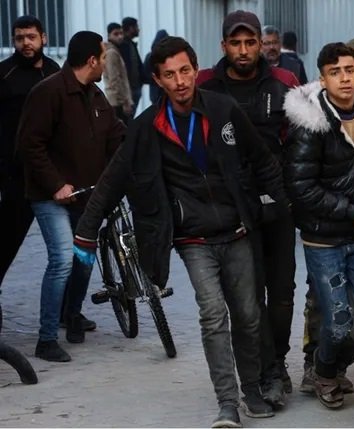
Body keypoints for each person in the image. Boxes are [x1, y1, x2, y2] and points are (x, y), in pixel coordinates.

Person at [73, 36, 288, 427]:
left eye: (185, 71)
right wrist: (86, 233)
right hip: (194, 239)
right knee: (213, 315)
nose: (180, 81)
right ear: (158, 80)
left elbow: (263, 160)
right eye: (170, 75)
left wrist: (282, 208)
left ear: (195, 68)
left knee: (248, 315)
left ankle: (252, 390)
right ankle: (227, 403)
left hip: (238, 230)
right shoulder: (146, 127)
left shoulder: (223, 109)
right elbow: (113, 179)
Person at [282, 42, 354, 428]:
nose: (346, 78)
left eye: (351, 70)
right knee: (338, 323)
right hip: (324, 240)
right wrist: (353, 214)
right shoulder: (310, 124)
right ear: (323, 79)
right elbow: (301, 187)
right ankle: (323, 369)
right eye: (336, 72)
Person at [196, 9, 300, 410]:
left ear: (262, 44)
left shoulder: (285, 83)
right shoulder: (206, 85)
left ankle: (278, 362)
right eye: (235, 43)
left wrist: (291, 195)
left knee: (283, 293)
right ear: (224, 45)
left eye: (250, 42)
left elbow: (299, 143)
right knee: (249, 298)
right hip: (232, 210)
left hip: (278, 206)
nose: (243, 50)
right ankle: (266, 372)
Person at [17, 31, 125, 361]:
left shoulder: (95, 95)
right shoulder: (48, 92)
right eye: (103, 58)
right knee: (63, 259)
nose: (105, 64)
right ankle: (47, 339)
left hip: (85, 197)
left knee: (83, 259)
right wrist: (55, 185)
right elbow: (30, 145)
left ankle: (72, 314)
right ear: (92, 61)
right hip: (50, 197)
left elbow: (115, 136)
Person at [0, 16, 60, 294]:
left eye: (31, 37)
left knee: (65, 251)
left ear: (43, 38)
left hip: (53, 175)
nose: (26, 43)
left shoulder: (54, 71)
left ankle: (67, 310)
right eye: (20, 38)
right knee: (6, 245)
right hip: (15, 177)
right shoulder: (4, 74)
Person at [103, 22, 133, 122]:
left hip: (117, 100)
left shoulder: (115, 50)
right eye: (116, 34)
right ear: (109, 36)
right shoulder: (111, 53)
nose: (120, 37)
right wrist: (124, 102)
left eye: (121, 33)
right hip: (117, 102)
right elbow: (114, 79)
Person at [119, 17, 150, 113]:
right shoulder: (122, 46)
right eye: (136, 27)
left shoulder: (131, 45)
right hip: (128, 92)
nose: (138, 29)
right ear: (130, 28)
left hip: (135, 89)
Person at [145, 29, 169, 105]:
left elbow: (145, 74)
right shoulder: (169, 56)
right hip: (165, 89)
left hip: (154, 90)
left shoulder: (149, 56)